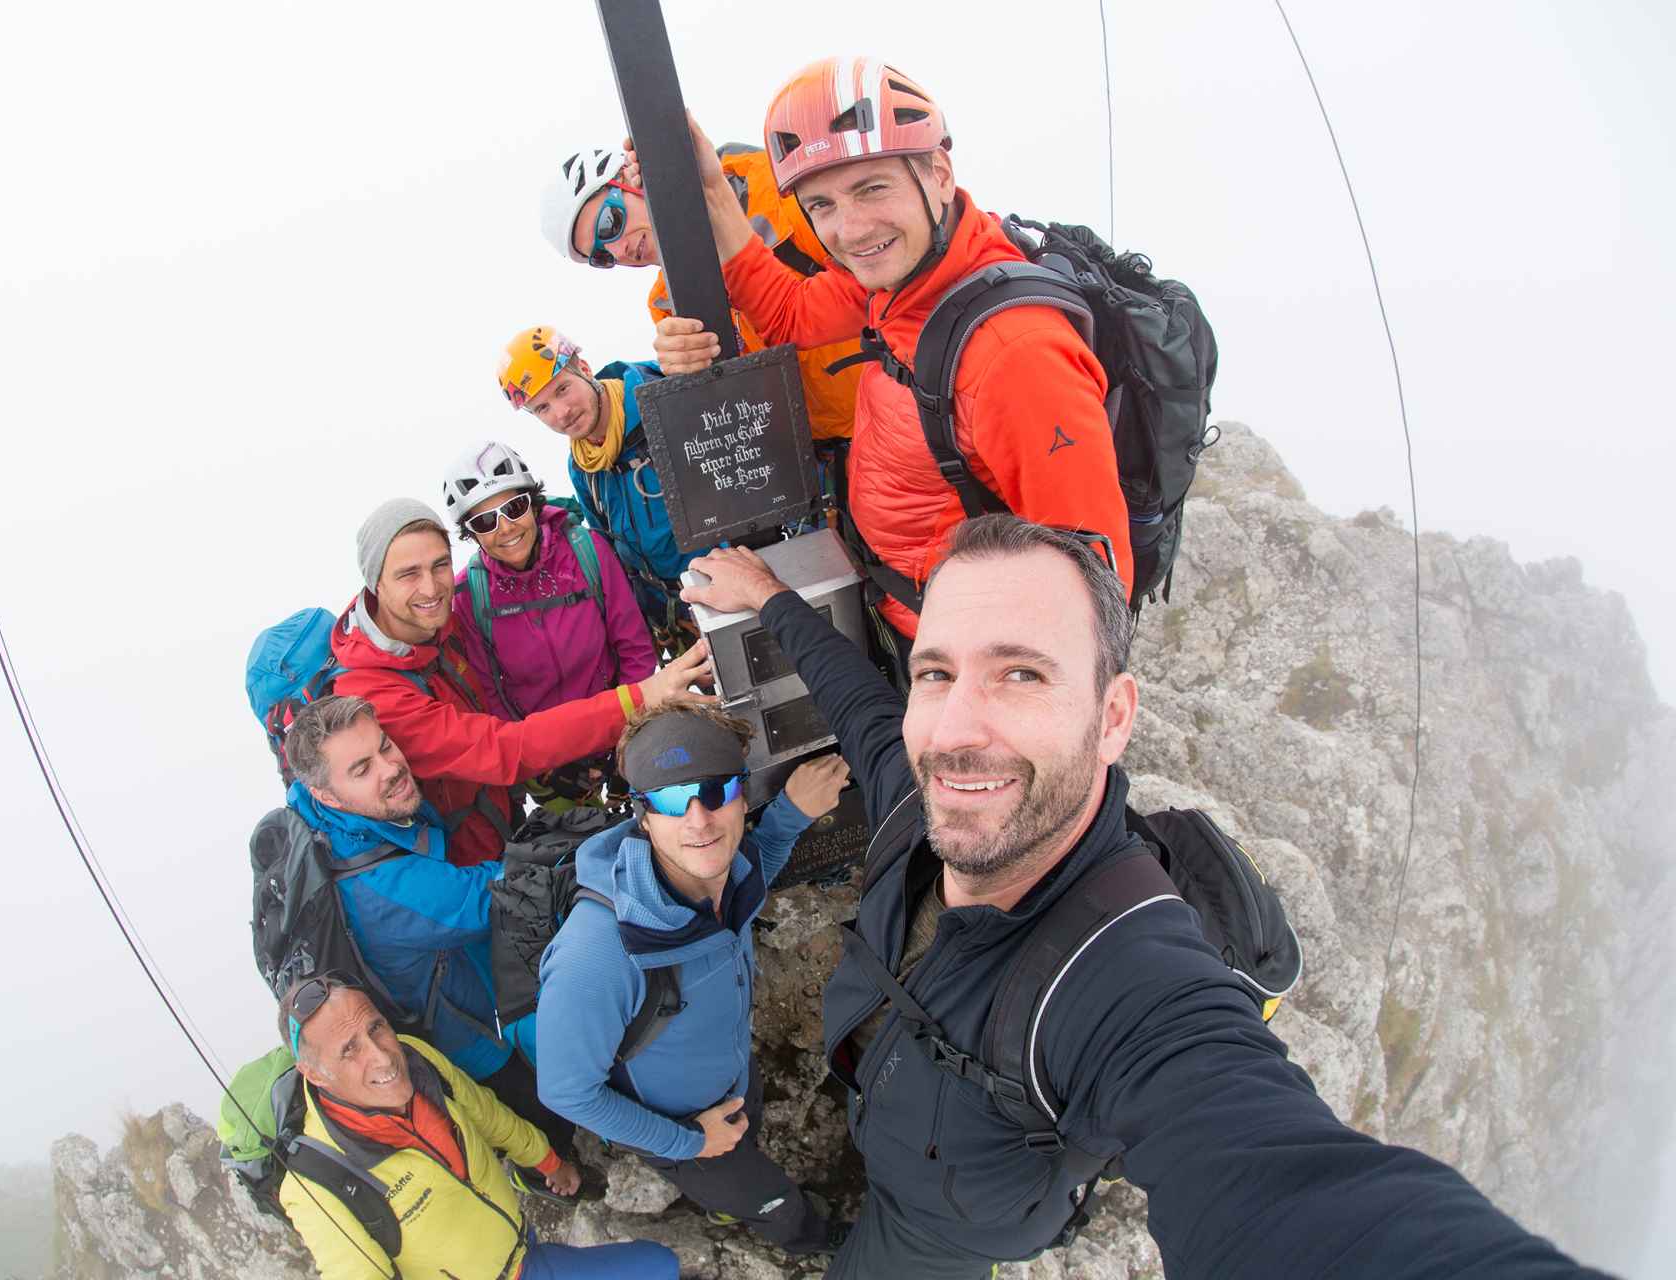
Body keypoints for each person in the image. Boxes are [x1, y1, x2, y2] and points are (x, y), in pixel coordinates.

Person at [678, 518, 1608, 1279]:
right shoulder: (912, 806)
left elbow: (1285, 1187)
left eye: (1022, 673)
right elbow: (856, 698)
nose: (956, 728)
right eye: (938, 672)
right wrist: (768, 597)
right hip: (895, 1130)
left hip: (944, 1235)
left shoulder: (1126, 979)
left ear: (1113, 715)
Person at [652, 60, 1132, 645]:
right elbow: (790, 312)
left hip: (952, 644)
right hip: (898, 598)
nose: (851, 230)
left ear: (938, 173)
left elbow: (1092, 588)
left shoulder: (1015, 354)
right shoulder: (900, 277)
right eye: (822, 205)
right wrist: (712, 192)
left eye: (871, 187)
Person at [535, 701, 853, 1256]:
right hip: (678, 1125)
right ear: (643, 814)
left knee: (745, 1122)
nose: (698, 820)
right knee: (769, 1197)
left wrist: (794, 815)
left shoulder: (725, 869)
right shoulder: (599, 954)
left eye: (714, 791)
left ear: (743, 794)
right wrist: (690, 1141)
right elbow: (566, 1090)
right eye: (670, 799)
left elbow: (751, 879)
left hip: (730, 1070)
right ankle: (808, 1238)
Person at [279, 695, 578, 1176]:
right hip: (468, 1031)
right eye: (362, 768)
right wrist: (582, 846)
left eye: (385, 747)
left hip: (457, 974)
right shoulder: (378, 890)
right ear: (327, 796)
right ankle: (556, 1171)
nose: (391, 767)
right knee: (541, 1113)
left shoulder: (340, 822)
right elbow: (494, 897)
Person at [331, 496, 711, 867]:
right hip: (463, 868)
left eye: (440, 565)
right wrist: (639, 698)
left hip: (501, 829)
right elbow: (498, 748)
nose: (431, 588)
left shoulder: (436, 623)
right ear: (374, 582)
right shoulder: (375, 693)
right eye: (408, 574)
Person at [274, 975, 681, 1280]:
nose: (383, 1057)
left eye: (376, 1027)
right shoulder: (317, 1184)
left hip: (530, 1257)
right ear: (315, 1074)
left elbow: (488, 1116)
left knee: (661, 1266)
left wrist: (549, 1162)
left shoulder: (418, 1059)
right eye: (350, 1050)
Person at [541, 143, 863, 445]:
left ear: (630, 178)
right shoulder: (666, 305)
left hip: (898, 393)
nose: (619, 250)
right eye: (602, 257)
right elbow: (734, 406)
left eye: (610, 223)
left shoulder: (768, 185)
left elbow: (878, 271)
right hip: (835, 452)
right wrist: (688, 376)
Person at [444, 440, 657, 811]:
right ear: (470, 533)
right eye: (484, 521)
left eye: (514, 507)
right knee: (579, 856)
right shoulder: (470, 596)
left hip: (622, 723)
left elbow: (634, 648)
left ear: (533, 500)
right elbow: (492, 696)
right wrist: (542, 765)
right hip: (545, 756)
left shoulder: (587, 551)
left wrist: (631, 733)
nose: (505, 528)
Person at [496, 326, 697, 654]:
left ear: (585, 369)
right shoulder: (583, 467)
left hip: (733, 582)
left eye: (563, 389)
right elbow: (613, 554)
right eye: (542, 408)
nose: (561, 413)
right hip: (677, 616)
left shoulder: (664, 398)